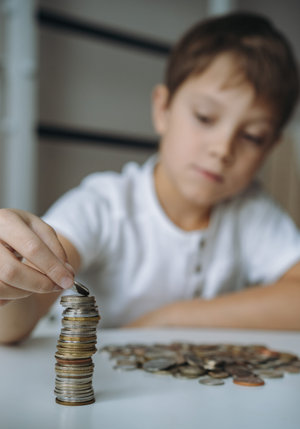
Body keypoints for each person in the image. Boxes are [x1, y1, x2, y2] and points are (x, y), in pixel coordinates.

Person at [0, 11, 300, 344]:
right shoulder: (104, 205)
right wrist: (8, 283)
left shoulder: (253, 212)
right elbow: (11, 326)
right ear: (163, 109)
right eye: (204, 117)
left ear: (271, 147)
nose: (223, 148)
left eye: (253, 136)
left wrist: (172, 320)